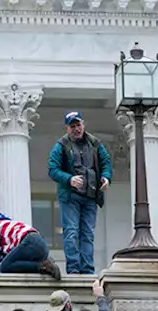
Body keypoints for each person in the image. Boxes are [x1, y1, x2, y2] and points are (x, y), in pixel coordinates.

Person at [48, 111, 112, 275]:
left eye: (79, 125)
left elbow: (106, 162)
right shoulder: (61, 146)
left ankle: (88, 269)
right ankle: (74, 269)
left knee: (87, 234)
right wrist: (69, 179)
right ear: (67, 128)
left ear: (83, 124)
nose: (77, 129)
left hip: (91, 196)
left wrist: (106, 177)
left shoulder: (95, 143)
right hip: (71, 197)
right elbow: (53, 170)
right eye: (73, 126)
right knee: (71, 232)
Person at [0, 204, 61, 279]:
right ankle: (46, 266)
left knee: (4, 267)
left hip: (30, 241)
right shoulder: (9, 224)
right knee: (15, 265)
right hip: (41, 244)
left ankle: (43, 266)